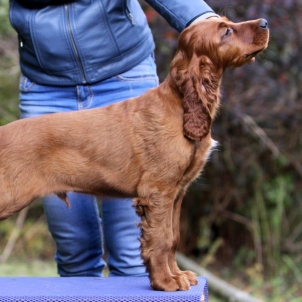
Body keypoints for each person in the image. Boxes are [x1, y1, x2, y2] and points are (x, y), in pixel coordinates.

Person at [9, 0, 218, 277]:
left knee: (131, 250)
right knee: (75, 250)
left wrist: (208, 24)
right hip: (46, 86)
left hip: (123, 77)